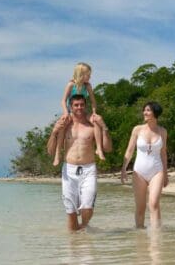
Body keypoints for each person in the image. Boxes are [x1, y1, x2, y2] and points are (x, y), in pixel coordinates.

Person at [52, 94, 112, 232]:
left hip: (88, 168)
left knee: (87, 207)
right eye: (76, 105)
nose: (79, 107)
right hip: (69, 169)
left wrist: (104, 127)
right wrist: (54, 132)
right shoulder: (65, 124)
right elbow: (51, 148)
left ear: (86, 106)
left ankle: (84, 227)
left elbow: (108, 148)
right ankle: (74, 245)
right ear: (70, 107)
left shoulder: (92, 124)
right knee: (71, 212)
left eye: (82, 105)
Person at [121, 102, 168, 229]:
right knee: (140, 207)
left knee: (153, 204)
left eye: (148, 110)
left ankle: (156, 236)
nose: (144, 113)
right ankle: (140, 236)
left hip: (157, 171)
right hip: (139, 172)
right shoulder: (137, 129)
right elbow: (130, 150)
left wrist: (166, 174)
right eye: (144, 110)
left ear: (155, 113)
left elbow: (163, 154)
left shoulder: (163, 131)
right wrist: (124, 169)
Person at [53, 62, 105, 166]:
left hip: (84, 112)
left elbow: (93, 101)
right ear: (81, 74)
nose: (90, 77)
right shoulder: (71, 85)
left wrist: (94, 112)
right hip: (71, 112)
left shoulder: (88, 86)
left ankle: (99, 149)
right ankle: (57, 154)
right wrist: (65, 112)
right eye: (88, 74)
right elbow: (63, 100)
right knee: (62, 126)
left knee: (95, 122)